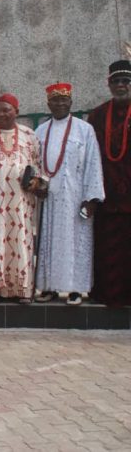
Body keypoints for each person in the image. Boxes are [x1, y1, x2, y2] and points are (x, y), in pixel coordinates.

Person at [35, 83, 104, 306]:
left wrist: (91, 198)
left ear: (71, 102)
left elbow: (93, 163)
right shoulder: (40, 131)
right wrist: (37, 185)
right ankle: (49, 287)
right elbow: (34, 163)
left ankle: (76, 289)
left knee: (76, 243)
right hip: (49, 198)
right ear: (48, 104)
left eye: (63, 100)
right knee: (49, 243)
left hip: (75, 197)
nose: (59, 104)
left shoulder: (84, 130)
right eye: (55, 100)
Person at [0, 94, 44, 304]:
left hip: (22, 202)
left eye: (6, 110)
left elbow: (38, 165)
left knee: (22, 241)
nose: (1, 114)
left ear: (16, 111)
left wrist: (36, 182)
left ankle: (23, 290)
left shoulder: (29, 135)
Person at [88, 60, 131, 307]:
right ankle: (108, 295)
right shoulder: (97, 115)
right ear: (109, 84)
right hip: (106, 196)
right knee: (108, 249)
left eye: (126, 81)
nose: (121, 85)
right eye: (116, 81)